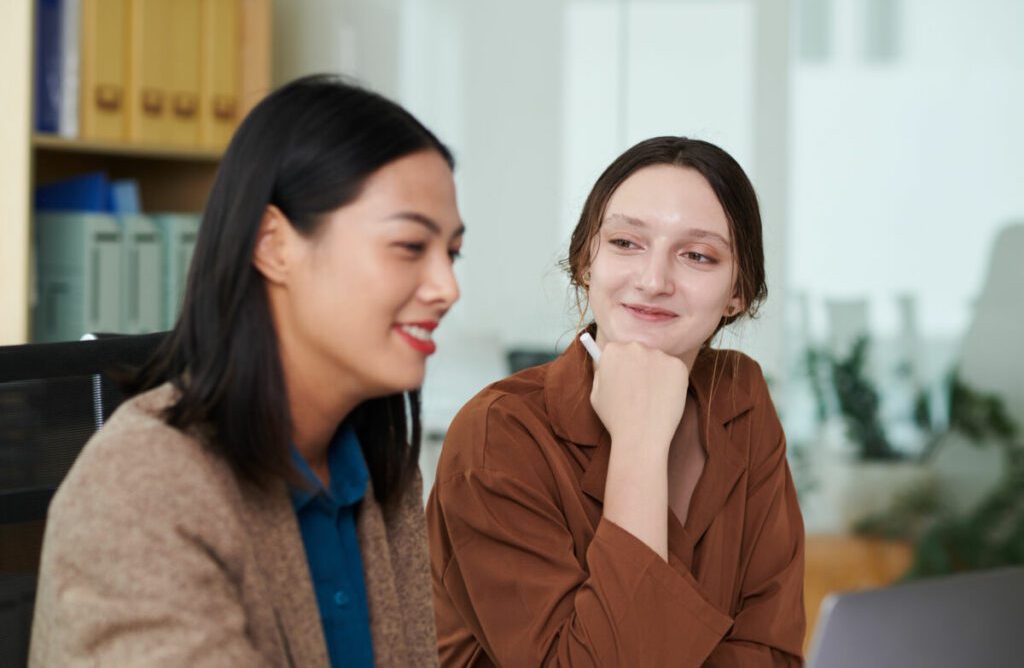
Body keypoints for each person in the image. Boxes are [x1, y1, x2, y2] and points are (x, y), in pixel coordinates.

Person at [29, 75, 464, 667]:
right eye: (411, 246)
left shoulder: (381, 469)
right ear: (273, 244)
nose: (447, 287)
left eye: (452, 252)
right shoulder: (140, 489)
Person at [427, 136, 805, 666]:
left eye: (697, 255)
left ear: (737, 293)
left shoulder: (738, 397)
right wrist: (639, 444)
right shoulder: (498, 436)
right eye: (626, 243)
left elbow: (773, 652)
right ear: (586, 262)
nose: (653, 281)